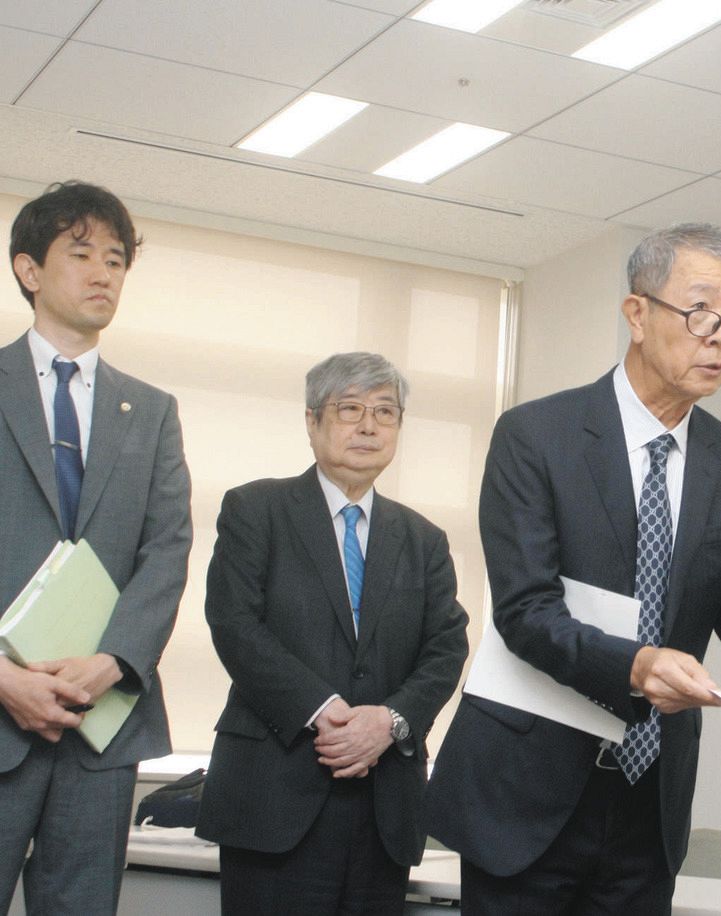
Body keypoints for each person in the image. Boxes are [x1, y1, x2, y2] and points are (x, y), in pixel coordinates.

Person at [425, 223, 721, 914]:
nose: (720, 336)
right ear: (637, 315)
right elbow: (526, 611)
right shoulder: (536, 436)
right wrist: (637, 666)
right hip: (527, 792)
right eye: (700, 311)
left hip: (649, 802)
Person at [196, 351, 469, 915]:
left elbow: (446, 648)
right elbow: (234, 624)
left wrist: (388, 720)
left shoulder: (424, 540)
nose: (369, 426)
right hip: (274, 792)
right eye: (350, 409)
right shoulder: (256, 509)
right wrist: (323, 710)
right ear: (312, 420)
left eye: (385, 412)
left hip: (384, 803)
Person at [0, 181, 193, 914]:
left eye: (115, 260)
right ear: (28, 269)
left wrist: (112, 661)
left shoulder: (151, 411)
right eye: (81, 254)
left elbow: (167, 548)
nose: (103, 273)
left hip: (102, 724)